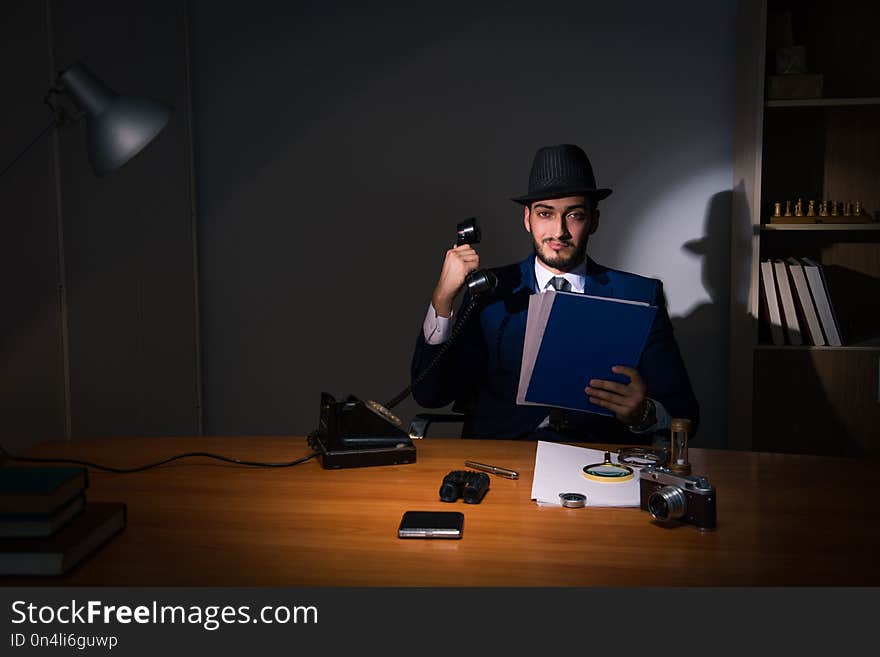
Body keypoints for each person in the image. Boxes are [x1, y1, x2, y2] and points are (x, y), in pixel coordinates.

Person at [409, 144, 699, 443]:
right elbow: (430, 394)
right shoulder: (491, 292)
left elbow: (685, 414)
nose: (559, 231)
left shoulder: (639, 293)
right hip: (505, 458)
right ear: (527, 219)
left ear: (594, 221)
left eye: (574, 215)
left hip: (598, 462)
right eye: (545, 213)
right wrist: (442, 299)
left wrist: (644, 413)